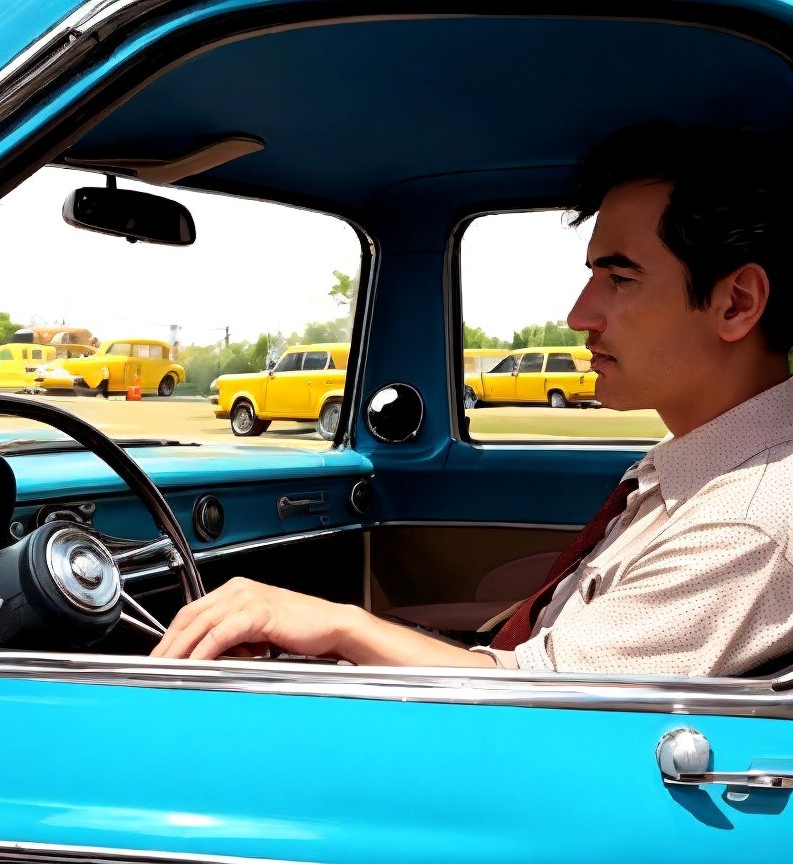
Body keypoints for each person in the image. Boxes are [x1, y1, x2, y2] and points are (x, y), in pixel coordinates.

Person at [152, 121, 793, 677]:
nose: (579, 314)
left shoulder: (749, 516)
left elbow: (547, 705)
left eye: (621, 278)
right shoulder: (698, 467)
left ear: (735, 303)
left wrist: (344, 628)